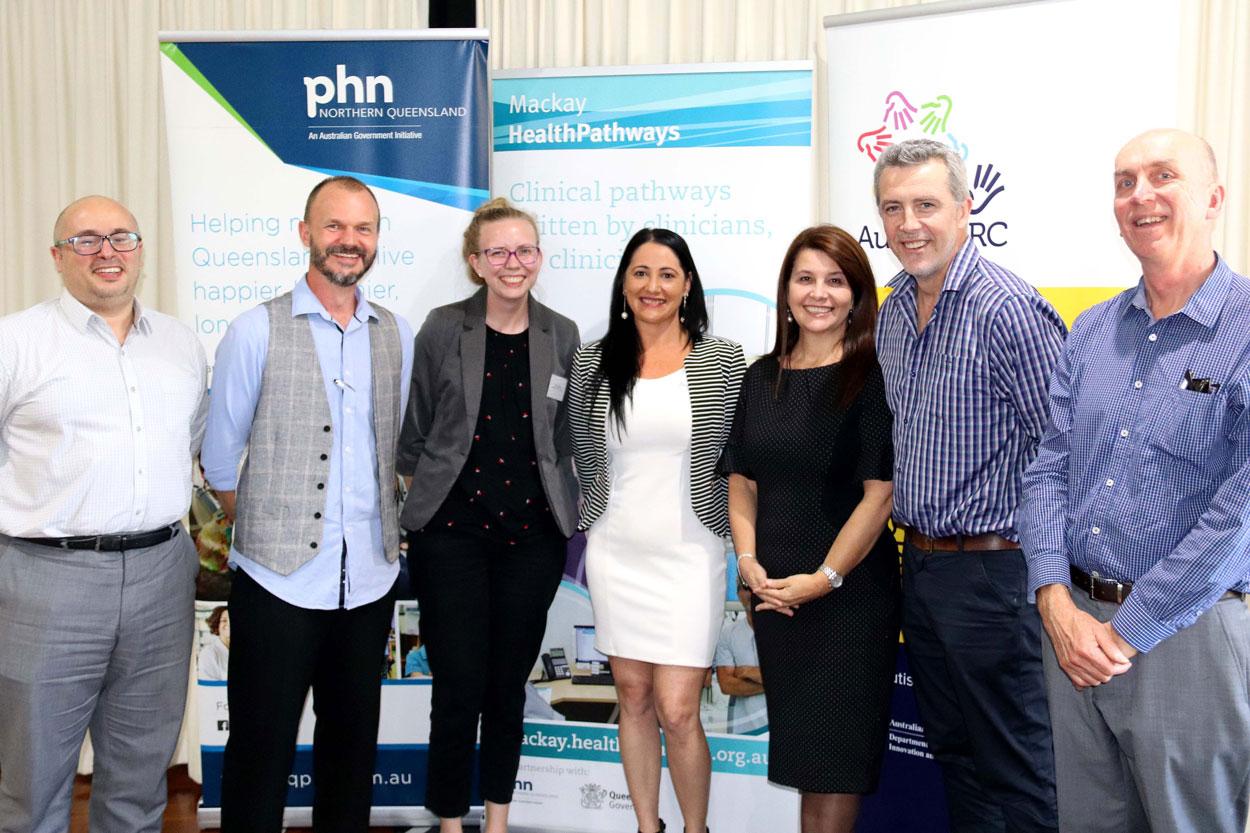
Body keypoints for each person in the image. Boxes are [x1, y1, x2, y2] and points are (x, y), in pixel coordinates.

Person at [1019, 128, 1250, 833]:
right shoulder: (1089, 331)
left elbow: (1241, 509)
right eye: (1124, 182)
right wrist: (1054, 598)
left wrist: (1129, 630)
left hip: (1189, 635)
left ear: (1213, 198)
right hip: (1075, 631)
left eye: (1161, 176)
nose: (1140, 195)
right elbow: (1047, 468)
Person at [202, 175, 413, 833]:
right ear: (305, 233)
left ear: (376, 240)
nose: (348, 241)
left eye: (363, 228)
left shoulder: (396, 333)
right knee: (260, 752)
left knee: (351, 754)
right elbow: (219, 460)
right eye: (334, 226)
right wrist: (275, 525)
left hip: (369, 581)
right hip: (278, 581)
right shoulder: (254, 329)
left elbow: (396, 448)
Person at [874, 138, 1065, 833]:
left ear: (965, 206)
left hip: (996, 574)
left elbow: (1063, 451)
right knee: (955, 756)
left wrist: (1048, 580)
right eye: (893, 208)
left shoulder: (1007, 309)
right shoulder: (892, 311)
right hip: (920, 568)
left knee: (1018, 766)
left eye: (926, 204)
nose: (909, 223)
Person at [0, 196, 207, 833]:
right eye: (86, 241)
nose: (107, 252)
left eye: (121, 237)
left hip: (162, 574)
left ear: (140, 251)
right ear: (58, 258)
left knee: (141, 777)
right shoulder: (16, 341)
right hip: (46, 580)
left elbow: (190, 445)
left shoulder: (179, 343)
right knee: (33, 783)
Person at [396, 196, 580, 833]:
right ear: (475, 262)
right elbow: (413, 432)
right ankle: (451, 821)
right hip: (452, 536)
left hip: (532, 540)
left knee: (507, 687)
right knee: (457, 687)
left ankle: (496, 820)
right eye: (497, 251)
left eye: (524, 250)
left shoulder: (562, 333)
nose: (512, 263)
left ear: (539, 257)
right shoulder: (445, 328)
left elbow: (564, 436)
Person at [720, 224, 898, 833]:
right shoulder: (760, 375)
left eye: (835, 280)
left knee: (837, 767)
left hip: (848, 601)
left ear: (856, 295)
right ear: (786, 291)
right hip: (776, 600)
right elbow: (741, 479)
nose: (818, 293)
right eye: (805, 278)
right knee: (807, 761)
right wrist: (748, 564)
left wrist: (824, 579)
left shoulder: (873, 376)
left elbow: (880, 497)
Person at [567, 228, 745, 833]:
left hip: (692, 553)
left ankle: (695, 828)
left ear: (687, 284)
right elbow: (578, 455)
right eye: (640, 273)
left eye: (667, 274)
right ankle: (649, 826)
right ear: (624, 282)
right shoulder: (592, 361)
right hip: (616, 550)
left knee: (679, 710)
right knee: (635, 700)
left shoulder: (724, 360)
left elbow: (740, 463)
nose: (653, 286)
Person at [712, 586, 766, 735]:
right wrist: (777, 684)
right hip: (743, 730)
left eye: (756, 587)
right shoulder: (728, 633)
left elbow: (794, 677)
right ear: (738, 593)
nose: (751, 593)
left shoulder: (787, 628)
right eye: (745, 588)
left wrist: (746, 671)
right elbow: (726, 685)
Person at [200, 605, 231, 681]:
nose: (229, 623)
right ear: (217, 625)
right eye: (224, 620)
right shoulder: (208, 653)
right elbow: (209, 688)